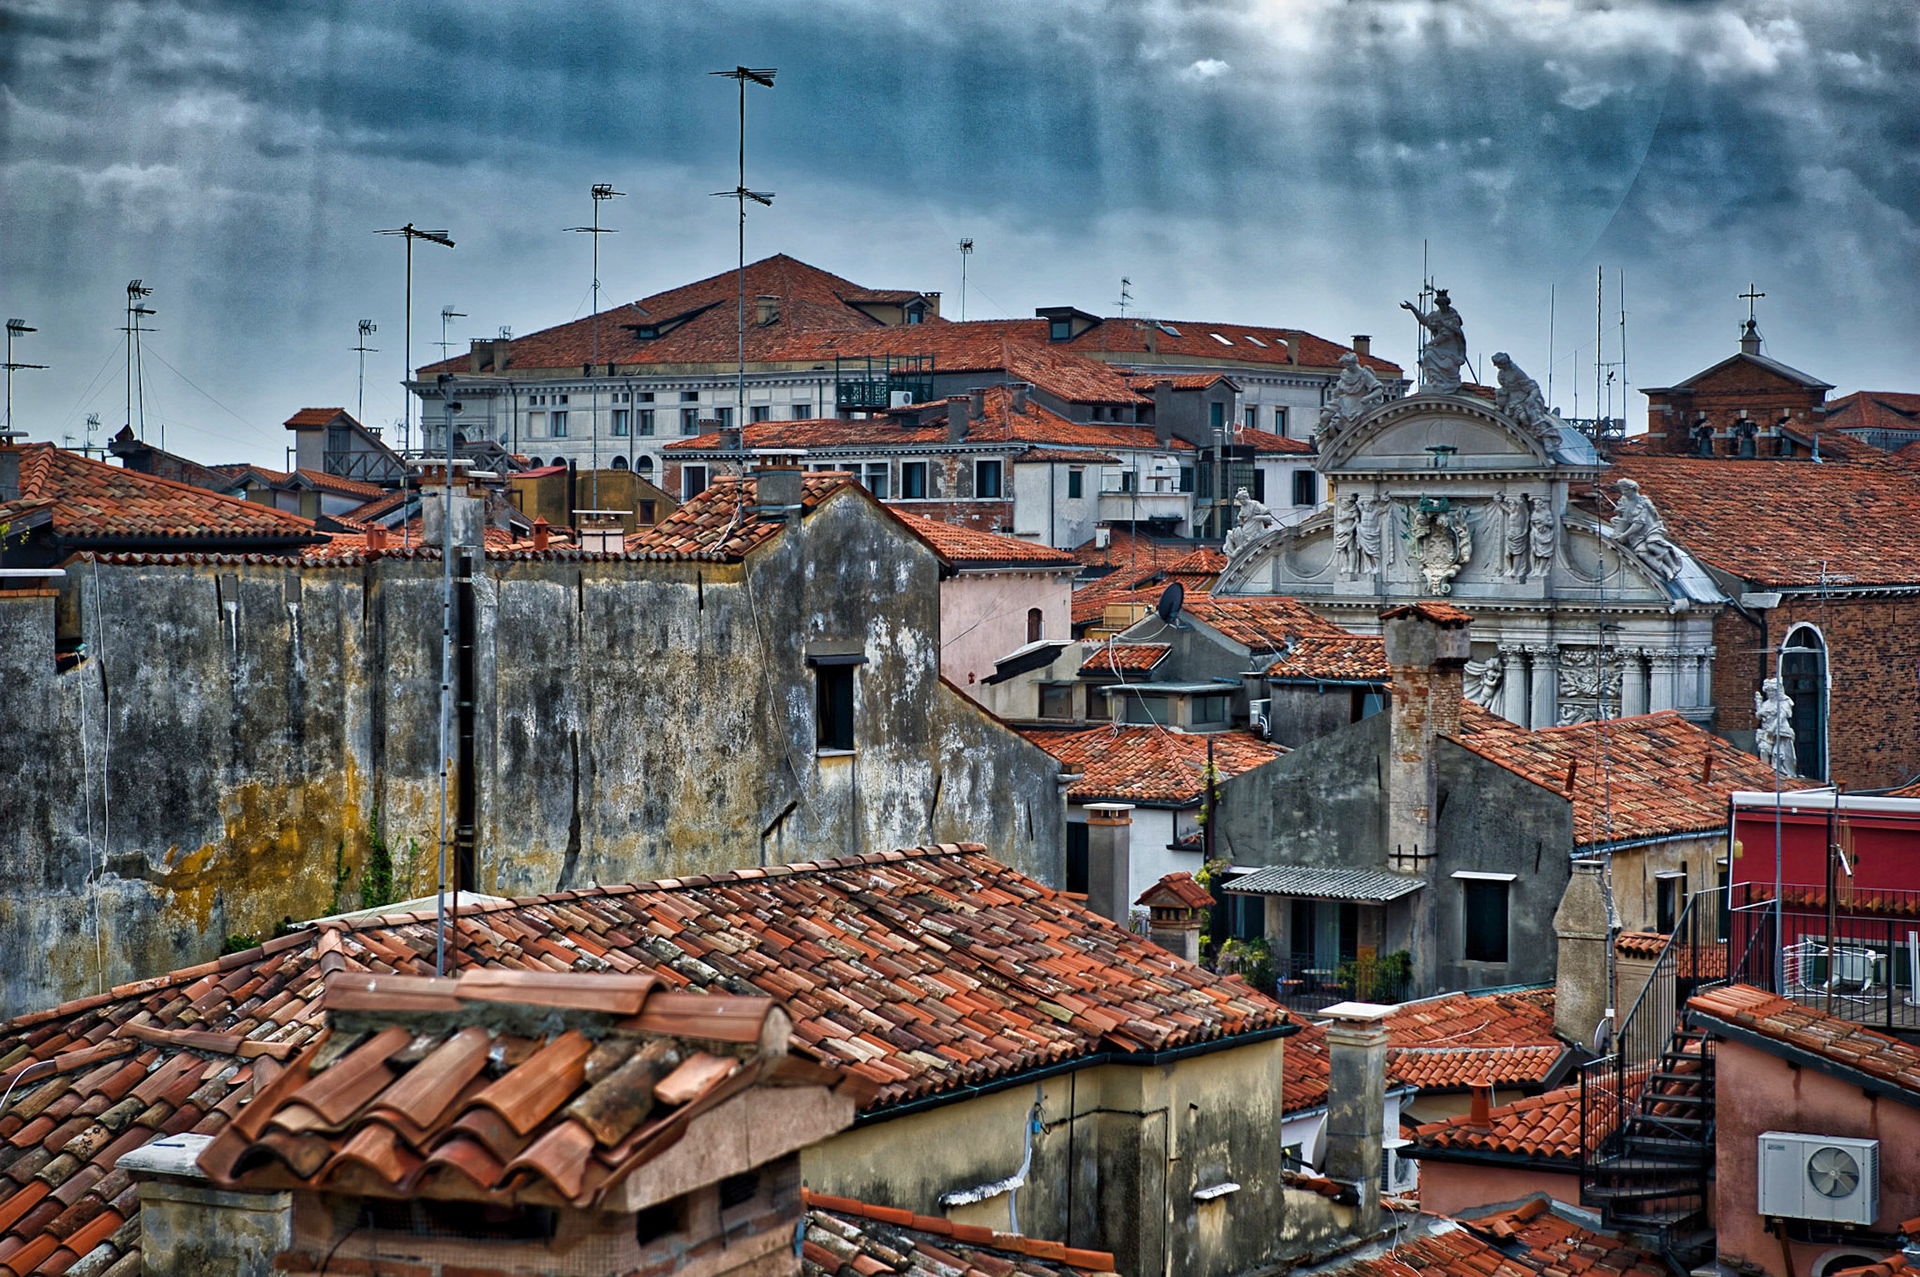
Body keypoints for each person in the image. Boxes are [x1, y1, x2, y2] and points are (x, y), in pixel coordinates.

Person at [1401, 289, 1467, 395]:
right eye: (1440, 305)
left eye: (1443, 304)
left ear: (1447, 304)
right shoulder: (1436, 315)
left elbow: (1446, 335)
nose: (1442, 307)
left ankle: (1445, 383)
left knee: (1438, 357)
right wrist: (1413, 309)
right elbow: (1425, 321)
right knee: (1428, 355)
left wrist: (1431, 343)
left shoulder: (1453, 317)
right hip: (1439, 345)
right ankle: (1435, 380)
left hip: (1450, 347)